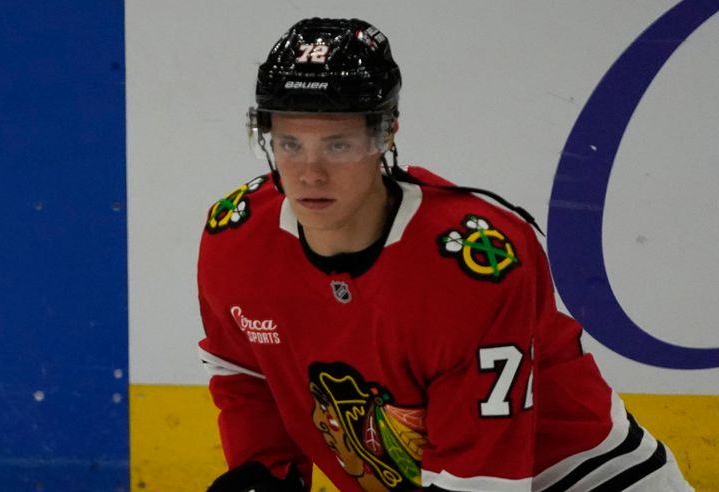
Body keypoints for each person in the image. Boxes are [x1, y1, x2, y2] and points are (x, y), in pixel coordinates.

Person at [197, 17, 693, 492]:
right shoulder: (236, 237)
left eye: (338, 145)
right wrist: (267, 473)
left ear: (385, 133)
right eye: (289, 143)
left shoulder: (472, 264)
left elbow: (485, 478)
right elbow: (245, 373)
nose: (309, 173)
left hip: (586, 479)